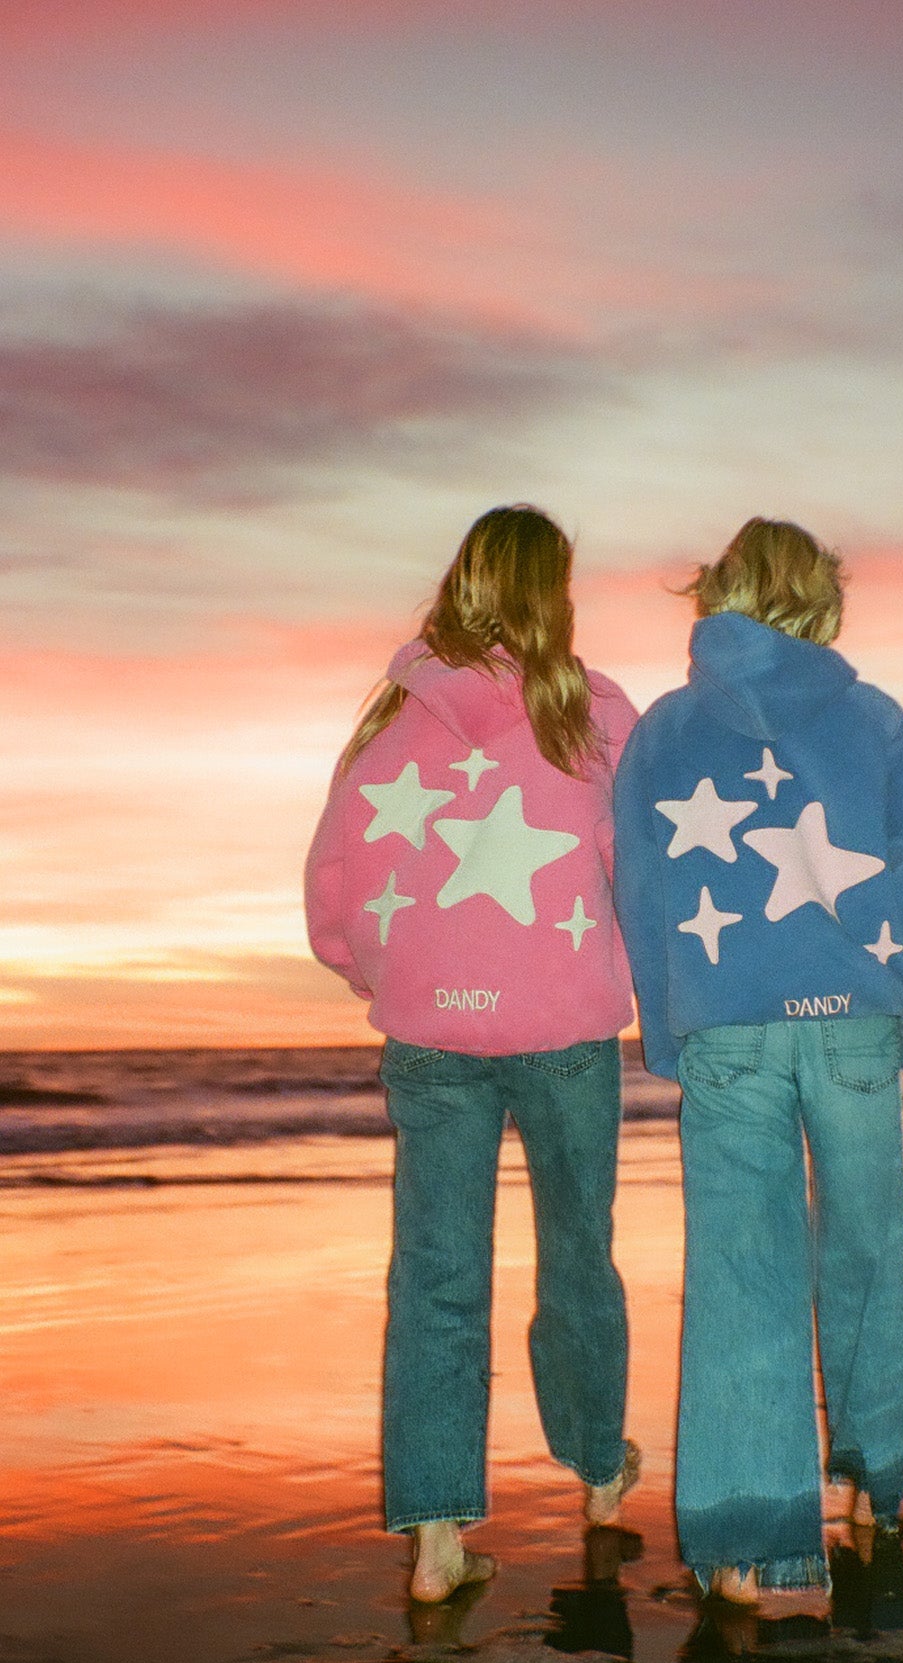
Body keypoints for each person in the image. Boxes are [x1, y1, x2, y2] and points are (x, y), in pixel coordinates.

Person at [612, 517, 903, 1603]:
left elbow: (641, 889)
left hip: (725, 1024)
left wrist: (665, 1025)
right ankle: (872, 1480)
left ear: (717, 594)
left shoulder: (665, 730)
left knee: (741, 1272)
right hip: (855, 1020)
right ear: (820, 598)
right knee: (866, 1249)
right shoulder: (872, 717)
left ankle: (742, 1544)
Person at [305, 505, 641, 1602]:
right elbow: (638, 863)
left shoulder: (391, 723)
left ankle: (438, 1540)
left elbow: (332, 885)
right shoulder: (594, 714)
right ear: (552, 594)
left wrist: (384, 975)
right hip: (566, 1032)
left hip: (430, 1038)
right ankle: (598, 1471)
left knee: (436, 1278)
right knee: (578, 1256)